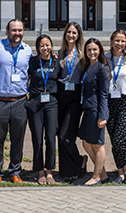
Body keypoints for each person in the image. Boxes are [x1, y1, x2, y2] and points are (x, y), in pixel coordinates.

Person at [0, 19, 32, 184]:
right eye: (14, 30)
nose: (17, 33)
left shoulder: (27, 50)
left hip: (20, 101)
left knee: (17, 139)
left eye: (20, 30)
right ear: (7, 31)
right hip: (0, 101)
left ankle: (15, 171)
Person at [27, 34, 62, 184]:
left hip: (51, 103)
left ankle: (49, 171)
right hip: (35, 102)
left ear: (51, 46)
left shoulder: (56, 62)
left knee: (50, 138)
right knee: (37, 138)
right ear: (37, 47)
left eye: (47, 45)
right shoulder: (32, 62)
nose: (45, 48)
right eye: (42, 45)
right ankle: (40, 171)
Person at [104, 29, 126, 184]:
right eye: (117, 40)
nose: (119, 44)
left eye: (122, 41)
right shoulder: (105, 58)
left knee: (120, 138)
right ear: (111, 41)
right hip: (110, 102)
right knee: (114, 139)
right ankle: (121, 172)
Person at [57, 22, 88, 182]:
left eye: (74, 33)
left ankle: (79, 161)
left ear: (78, 35)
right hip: (61, 95)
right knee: (59, 135)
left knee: (66, 136)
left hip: (75, 97)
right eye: (68, 32)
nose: (71, 35)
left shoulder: (83, 54)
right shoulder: (60, 53)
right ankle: (66, 171)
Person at [78, 38, 111, 185]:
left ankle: (96, 177)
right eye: (89, 50)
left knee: (98, 144)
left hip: (96, 110)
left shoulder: (102, 68)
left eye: (95, 49)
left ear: (100, 51)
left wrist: (103, 116)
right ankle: (102, 174)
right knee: (86, 143)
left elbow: (104, 94)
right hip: (87, 109)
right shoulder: (88, 67)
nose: (92, 52)